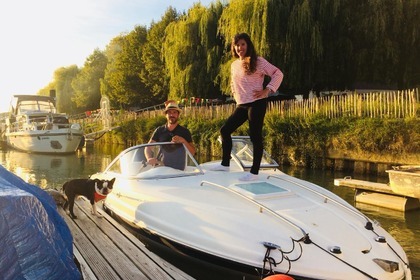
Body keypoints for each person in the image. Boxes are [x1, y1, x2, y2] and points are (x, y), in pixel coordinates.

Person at [211, 32, 284, 181]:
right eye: (237, 45)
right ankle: (225, 164)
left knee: (255, 136)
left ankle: (254, 173)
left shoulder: (259, 62)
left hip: (257, 103)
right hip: (242, 104)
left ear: (248, 45)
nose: (239, 48)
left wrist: (267, 90)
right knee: (225, 130)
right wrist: (234, 93)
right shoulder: (234, 65)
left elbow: (278, 73)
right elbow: (233, 82)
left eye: (242, 44)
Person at [145, 100, 195, 169]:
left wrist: (183, 141)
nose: (172, 115)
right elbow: (148, 148)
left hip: (179, 171)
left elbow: (192, 152)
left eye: (174, 112)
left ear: (178, 115)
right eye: (169, 112)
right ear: (166, 115)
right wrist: (149, 158)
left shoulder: (185, 131)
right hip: (161, 168)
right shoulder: (159, 130)